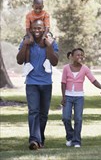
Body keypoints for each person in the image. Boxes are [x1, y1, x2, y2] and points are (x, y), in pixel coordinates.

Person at [16, 19, 59, 150]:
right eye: (34, 28)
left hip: (46, 83)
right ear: (30, 28)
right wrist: (24, 45)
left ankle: (40, 139)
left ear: (44, 29)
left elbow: (55, 62)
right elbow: (19, 60)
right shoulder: (26, 42)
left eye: (39, 28)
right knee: (33, 111)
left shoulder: (51, 42)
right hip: (32, 83)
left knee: (43, 114)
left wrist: (49, 46)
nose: (37, 31)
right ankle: (34, 140)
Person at [61, 48, 101, 148]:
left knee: (78, 119)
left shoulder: (85, 68)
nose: (80, 57)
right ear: (72, 56)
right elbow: (63, 83)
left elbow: (93, 80)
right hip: (68, 96)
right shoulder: (66, 68)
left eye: (81, 55)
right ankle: (70, 137)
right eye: (77, 55)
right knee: (65, 118)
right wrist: (63, 96)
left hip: (79, 97)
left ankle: (76, 141)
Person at [23, 0, 50, 76]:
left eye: (40, 8)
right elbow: (27, 28)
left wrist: (43, 37)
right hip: (32, 32)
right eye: (36, 8)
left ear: (43, 6)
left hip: (44, 32)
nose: (38, 10)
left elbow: (47, 27)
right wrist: (31, 37)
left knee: (48, 41)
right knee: (27, 42)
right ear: (32, 6)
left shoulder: (45, 14)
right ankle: (28, 64)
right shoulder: (29, 15)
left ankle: (47, 61)